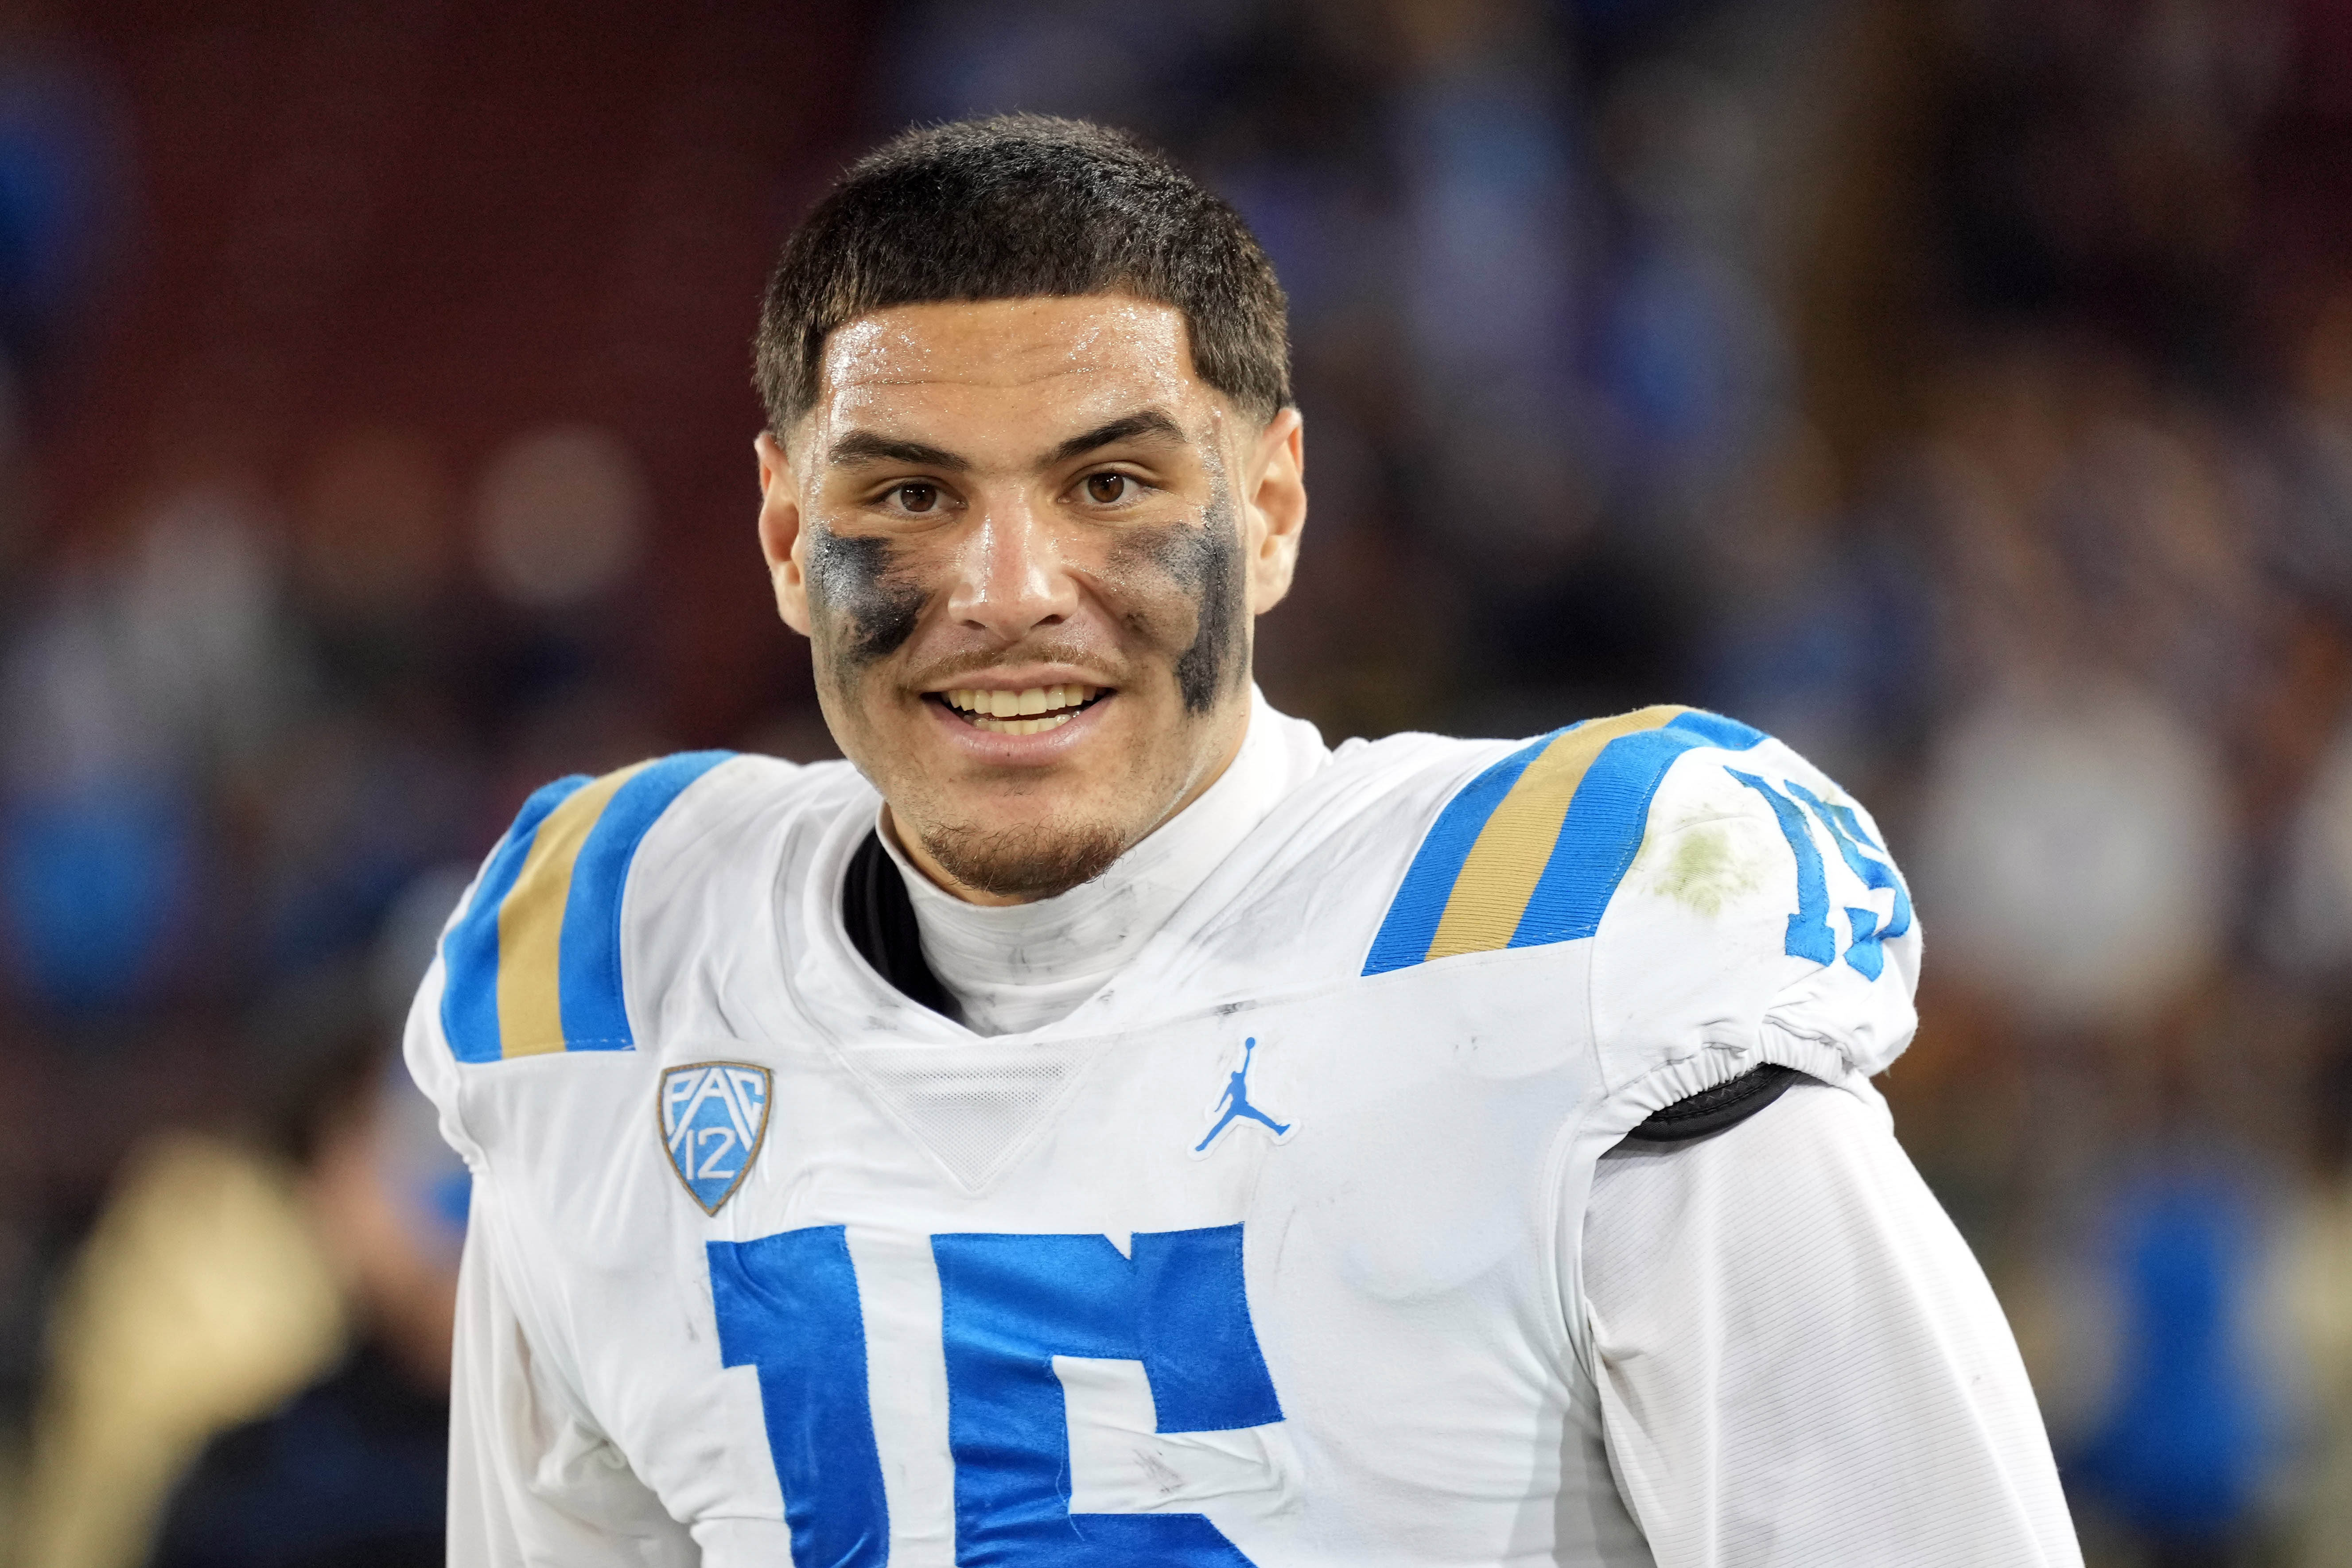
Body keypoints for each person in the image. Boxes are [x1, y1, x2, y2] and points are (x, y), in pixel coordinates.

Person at [404, 115, 2080, 1566]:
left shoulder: (1574, 951)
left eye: (1111, 486)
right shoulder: (616, 976)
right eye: (910, 496)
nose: (1008, 592)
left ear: (1269, 508)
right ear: (787, 534)